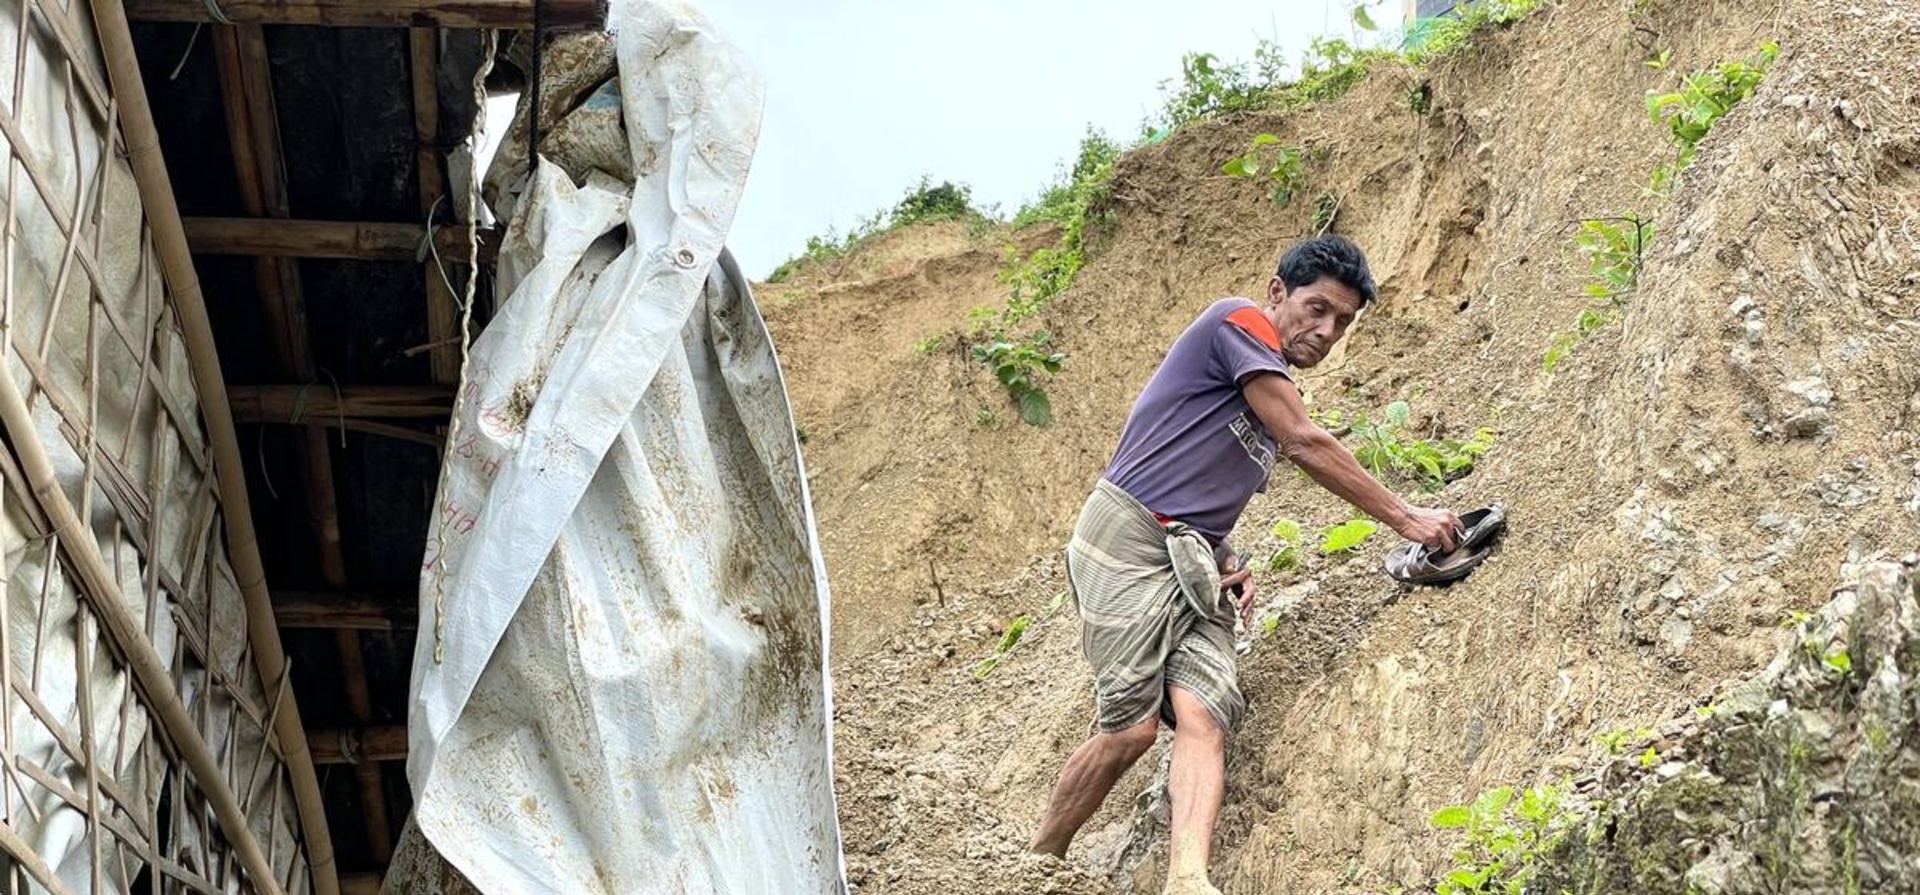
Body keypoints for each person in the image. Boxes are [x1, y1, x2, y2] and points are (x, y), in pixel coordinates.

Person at [1027, 235, 1462, 894]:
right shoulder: (1237, 322)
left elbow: (1198, 475)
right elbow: (1304, 441)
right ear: (1278, 292)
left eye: (1342, 322)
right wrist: (1407, 519)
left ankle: (1188, 879)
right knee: (1134, 729)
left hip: (1194, 557)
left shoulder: (1264, 396)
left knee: (1203, 710)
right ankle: (1037, 862)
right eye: (1317, 308)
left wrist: (1228, 554)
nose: (1327, 330)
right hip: (1124, 539)